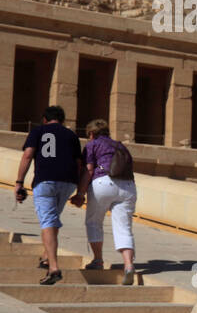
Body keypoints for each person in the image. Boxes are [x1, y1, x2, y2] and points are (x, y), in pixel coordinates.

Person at [13, 105, 84, 285]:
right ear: (62, 120)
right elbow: (79, 164)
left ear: (44, 119)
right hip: (68, 182)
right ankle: (46, 256)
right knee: (52, 219)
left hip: (45, 181)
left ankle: (53, 267)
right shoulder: (72, 135)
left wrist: (19, 182)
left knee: (47, 221)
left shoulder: (38, 131)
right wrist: (79, 190)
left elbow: (28, 155)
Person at [77, 119, 138, 286]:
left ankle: (98, 260)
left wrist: (80, 193)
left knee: (94, 222)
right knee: (123, 227)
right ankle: (128, 265)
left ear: (91, 134)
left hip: (103, 183)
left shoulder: (93, 144)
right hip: (128, 186)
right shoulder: (120, 146)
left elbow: (88, 170)